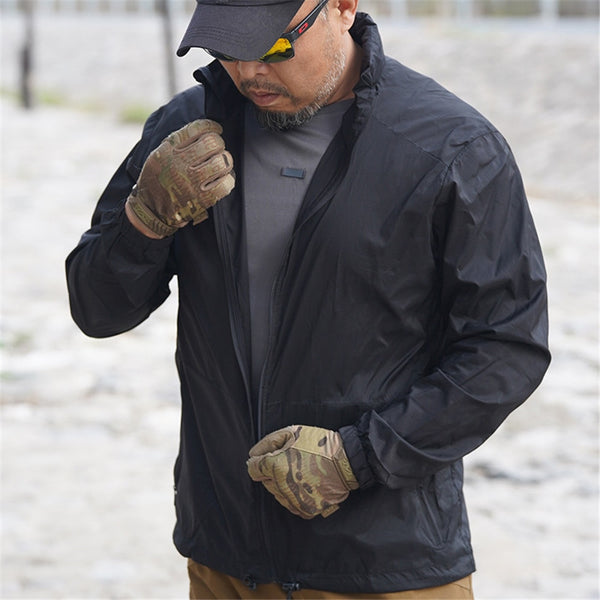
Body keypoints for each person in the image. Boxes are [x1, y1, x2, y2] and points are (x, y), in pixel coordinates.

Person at [65, 0, 551, 597]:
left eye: (271, 47)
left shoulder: (453, 148)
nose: (247, 73)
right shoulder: (184, 131)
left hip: (384, 566)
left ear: (342, 7)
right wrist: (142, 222)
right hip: (225, 560)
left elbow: (507, 348)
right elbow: (97, 309)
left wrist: (361, 457)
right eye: (225, 47)